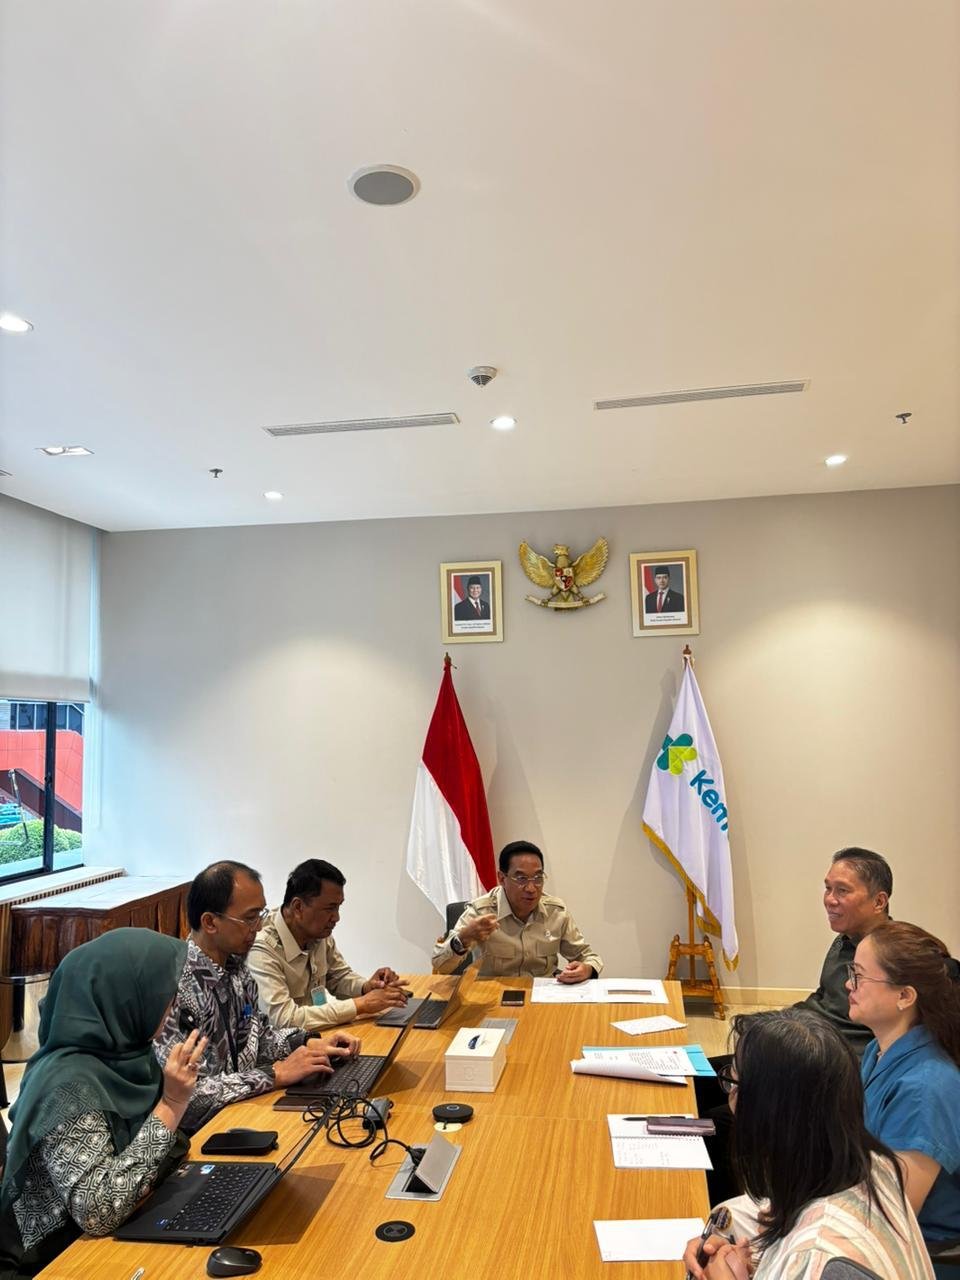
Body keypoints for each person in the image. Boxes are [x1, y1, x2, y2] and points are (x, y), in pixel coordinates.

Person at [0, 929, 208, 1278]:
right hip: (53, 1261)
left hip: (117, 1235)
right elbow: (97, 1210)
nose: (171, 1007)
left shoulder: (128, 1055)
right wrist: (171, 1103)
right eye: (162, 995)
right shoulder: (67, 1086)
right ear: (126, 998)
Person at [699, 847, 893, 1202]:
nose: (830, 899)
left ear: (879, 901)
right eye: (828, 888)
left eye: (842, 891)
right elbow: (820, 1001)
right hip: (798, 1048)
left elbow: (852, 1042)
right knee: (696, 1077)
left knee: (715, 1124)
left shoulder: (887, 961)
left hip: (819, 1070)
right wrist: (768, 1023)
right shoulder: (844, 941)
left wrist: (776, 1036)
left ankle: (726, 1213)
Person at [682, 1008, 933, 1280]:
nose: (731, 1096)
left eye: (734, 1082)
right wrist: (747, 1258)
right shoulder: (876, 1166)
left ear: (765, 1113)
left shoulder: (815, 1258)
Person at [154, 861, 360, 1134]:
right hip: (203, 1136)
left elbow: (259, 1039)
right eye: (250, 918)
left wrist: (307, 1042)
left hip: (246, 1112)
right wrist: (274, 1074)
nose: (260, 926)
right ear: (210, 922)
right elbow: (188, 1096)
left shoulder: (237, 970)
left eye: (261, 914)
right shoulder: (176, 990)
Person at [847, 922, 960, 1267]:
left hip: (916, 1254)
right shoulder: (878, 1051)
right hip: (860, 1208)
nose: (848, 985)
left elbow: (893, 1215)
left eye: (859, 976)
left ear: (905, 997)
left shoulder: (925, 1089)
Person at [248, 858, 407, 1029]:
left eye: (338, 907)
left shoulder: (318, 933)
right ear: (298, 907)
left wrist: (367, 987)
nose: (336, 917)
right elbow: (283, 1019)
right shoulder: (261, 949)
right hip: (286, 1044)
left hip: (318, 1035)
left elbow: (339, 977)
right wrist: (360, 1005)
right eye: (329, 908)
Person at [431, 839, 603, 981]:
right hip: (492, 997)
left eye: (538, 878)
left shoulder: (556, 912)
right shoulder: (481, 911)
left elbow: (587, 956)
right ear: (502, 878)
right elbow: (440, 964)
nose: (531, 888)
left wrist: (587, 969)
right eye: (521, 878)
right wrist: (463, 938)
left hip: (541, 996)